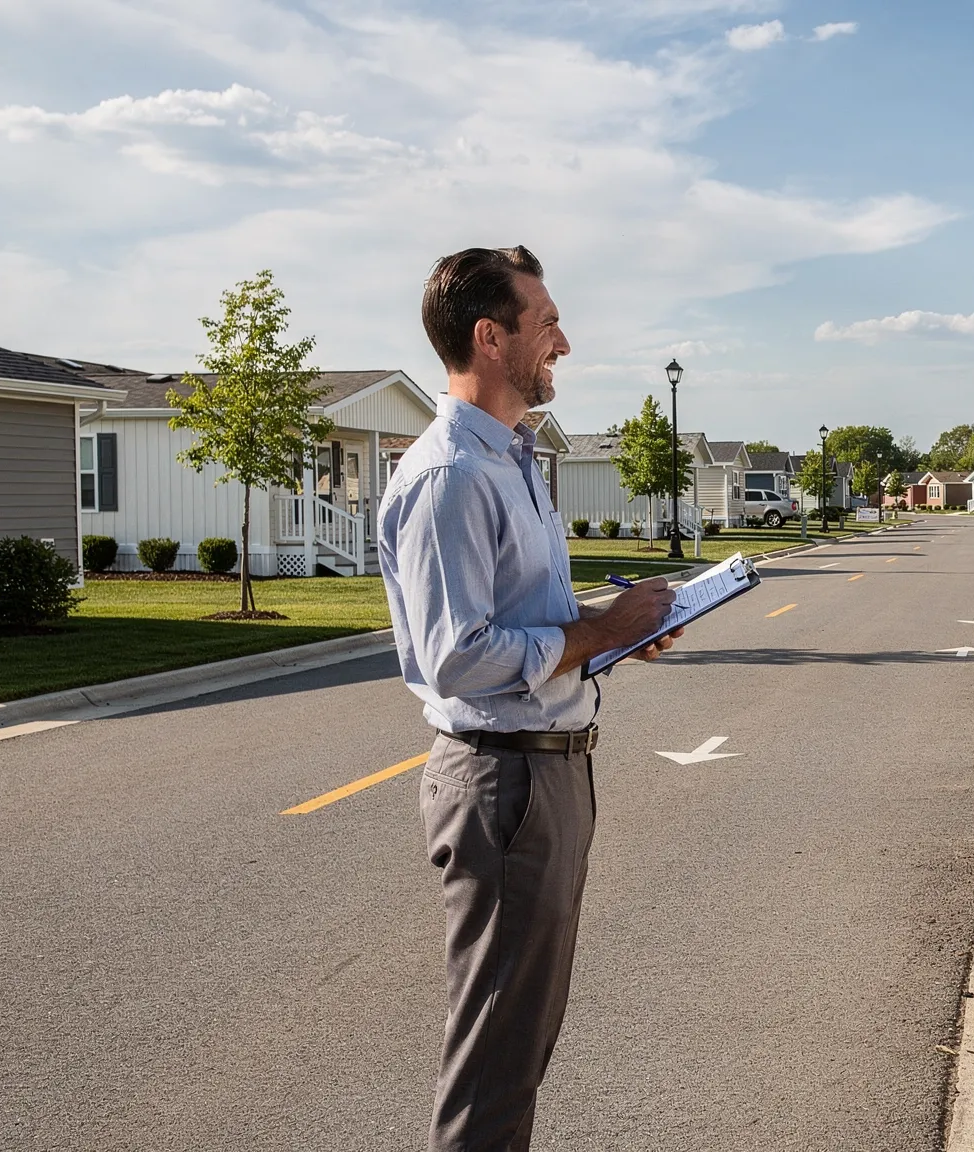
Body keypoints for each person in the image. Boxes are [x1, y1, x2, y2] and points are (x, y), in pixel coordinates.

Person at [378, 245, 680, 1152]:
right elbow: (457, 658)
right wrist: (597, 633)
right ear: (490, 336)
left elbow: (530, 624)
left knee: (521, 1044)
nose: (565, 342)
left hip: (547, 778)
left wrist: (614, 628)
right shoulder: (450, 478)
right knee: (496, 1061)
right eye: (545, 323)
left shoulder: (510, 462)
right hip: (504, 786)